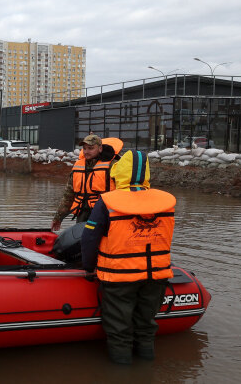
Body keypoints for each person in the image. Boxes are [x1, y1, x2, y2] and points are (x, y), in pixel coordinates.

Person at [81, 150, 176, 364]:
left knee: (119, 329)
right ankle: (146, 368)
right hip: (157, 275)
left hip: (119, 277)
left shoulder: (107, 202)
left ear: (119, 172)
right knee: (146, 326)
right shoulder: (165, 202)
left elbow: (88, 239)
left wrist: (88, 267)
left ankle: (121, 371)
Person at [51, 135, 122, 231]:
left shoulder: (112, 165)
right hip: (82, 215)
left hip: (104, 214)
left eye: (90, 148)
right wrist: (58, 218)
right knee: (82, 241)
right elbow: (68, 196)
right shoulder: (78, 166)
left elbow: (123, 193)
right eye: (84, 148)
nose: (86, 151)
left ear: (100, 148)